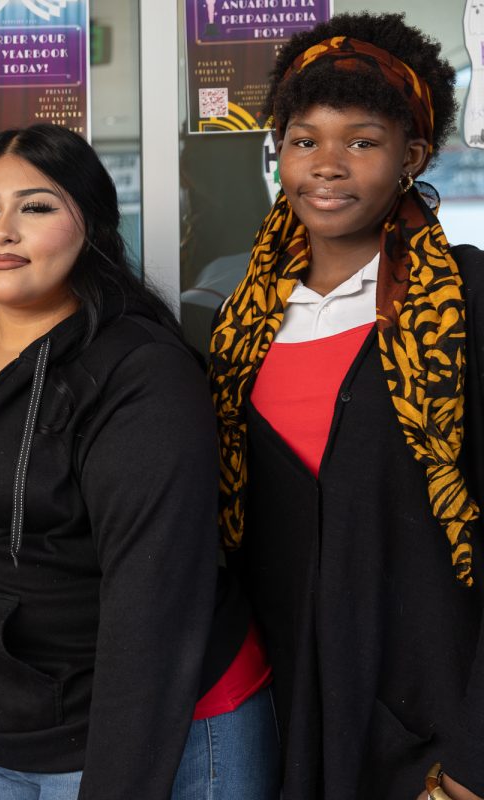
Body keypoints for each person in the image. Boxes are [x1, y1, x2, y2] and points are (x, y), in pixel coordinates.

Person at [0, 122, 277, 800]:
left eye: (35, 207)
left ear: (90, 225)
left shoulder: (138, 371)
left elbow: (153, 608)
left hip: (153, 729)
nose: (3, 230)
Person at [209, 13, 484, 799]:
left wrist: (473, 761)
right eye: (304, 139)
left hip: (427, 735)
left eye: (361, 141)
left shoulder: (463, 303)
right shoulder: (245, 322)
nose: (326, 166)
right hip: (279, 723)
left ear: (413, 157)